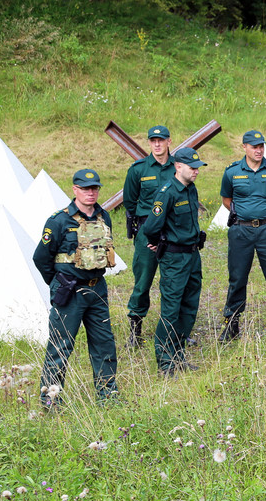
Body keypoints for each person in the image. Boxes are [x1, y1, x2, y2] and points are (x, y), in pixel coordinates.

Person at [34, 169, 119, 409]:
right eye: (85, 189)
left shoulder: (104, 217)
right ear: (74, 190)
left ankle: (108, 396)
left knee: (104, 345)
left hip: (97, 289)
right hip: (70, 292)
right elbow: (41, 257)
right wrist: (59, 282)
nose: (91, 193)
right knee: (60, 347)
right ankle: (50, 401)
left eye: (94, 188)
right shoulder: (59, 220)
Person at [217, 130, 266, 342]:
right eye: (254, 146)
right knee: (237, 278)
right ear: (244, 147)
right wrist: (245, 216)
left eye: (261, 146)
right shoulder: (232, 172)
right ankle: (231, 325)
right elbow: (226, 199)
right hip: (241, 231)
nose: (259, 150)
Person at [141, 147, 207, 377]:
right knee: (171, 310)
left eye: (198, 167)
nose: (196, 171)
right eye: (192, 167)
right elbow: (150, 226)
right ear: (178, 166)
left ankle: (178, 356)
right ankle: (165, 361)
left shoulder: (191, 189)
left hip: (192, 255)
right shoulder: (167, 192)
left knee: (189, 307)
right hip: (174, 258)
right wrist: (155, 242)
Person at [121, 125, 175, 347]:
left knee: (174, 281)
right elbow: (130, 201)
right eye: (153, 140)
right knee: (143, 280)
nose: (157, 144)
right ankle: (136, 330)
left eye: (161, 140)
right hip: (146, 230)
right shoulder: (138, 169)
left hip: (173, 230)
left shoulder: (178, 167)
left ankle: (175, 329)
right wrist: (144, 229)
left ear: (169, 141)